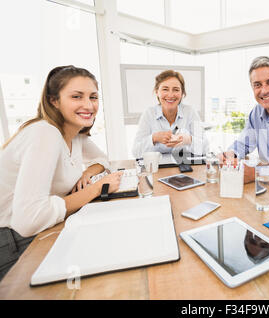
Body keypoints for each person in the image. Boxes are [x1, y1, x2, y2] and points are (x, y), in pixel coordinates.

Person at [0, 66, 123, 280]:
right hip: (12, 241)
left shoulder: (75, 134)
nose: (89, 105)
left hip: (40, 229)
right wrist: (96, 188)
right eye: (77, 96)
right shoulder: (44, 132)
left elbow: (102, 160)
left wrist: (89, 173)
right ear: (54, 101)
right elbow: (28, 220)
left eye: (93, 97)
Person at [132, 70, 207, 158]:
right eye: (165, 89)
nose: (170, 95)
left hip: (185, 167)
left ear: (182, 93)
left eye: (176, 90)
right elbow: (136, 152)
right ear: (157, 92)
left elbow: (205, 148)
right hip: (157, 169)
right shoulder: (149, 114)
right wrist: (154, 138)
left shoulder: (190, 112)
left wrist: (189, 140)